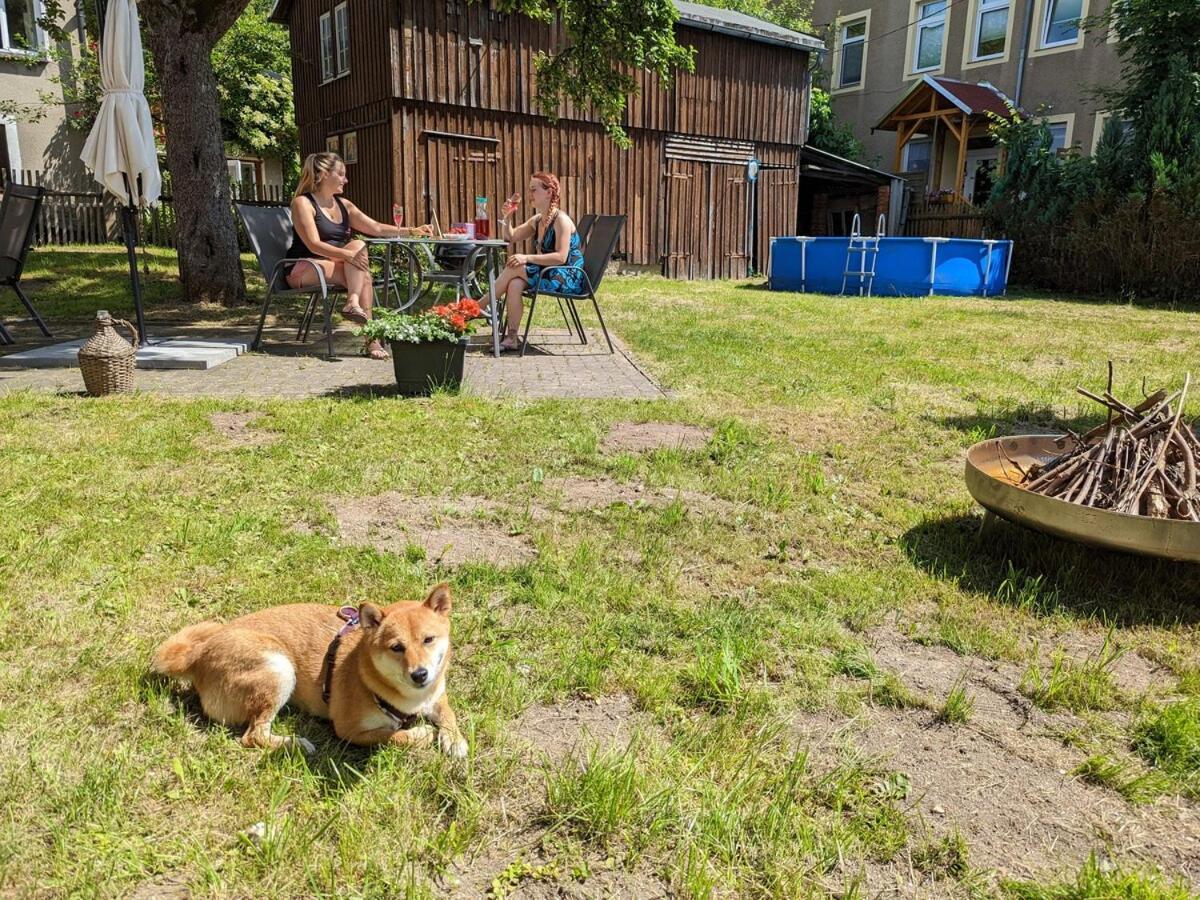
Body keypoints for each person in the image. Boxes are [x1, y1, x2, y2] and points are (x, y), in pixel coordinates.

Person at [284, 152, 431, 360]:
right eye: (341, 174)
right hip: (304, 267)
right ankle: (371, 340)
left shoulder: (344, 205)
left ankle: (353, 302)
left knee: (359, 246)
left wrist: (413, 231)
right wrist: (347, 256)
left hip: (335, 266)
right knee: (362, 270)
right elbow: (313, 245)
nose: (346, 179)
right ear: (324, 174)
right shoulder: (303, 203)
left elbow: (377, 228)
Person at [490, 171, 585, 352]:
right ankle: (512, 338)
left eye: (533, 190)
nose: (530, 194)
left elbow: (561, 257)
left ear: (549, 193)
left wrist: (526, 257)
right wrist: (507, 216)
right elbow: (510, 237)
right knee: (515, 284)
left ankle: (476, 307)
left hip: (567, 277)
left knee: (515, 267)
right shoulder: (538, 220)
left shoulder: (561, 220)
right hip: (548, 272)